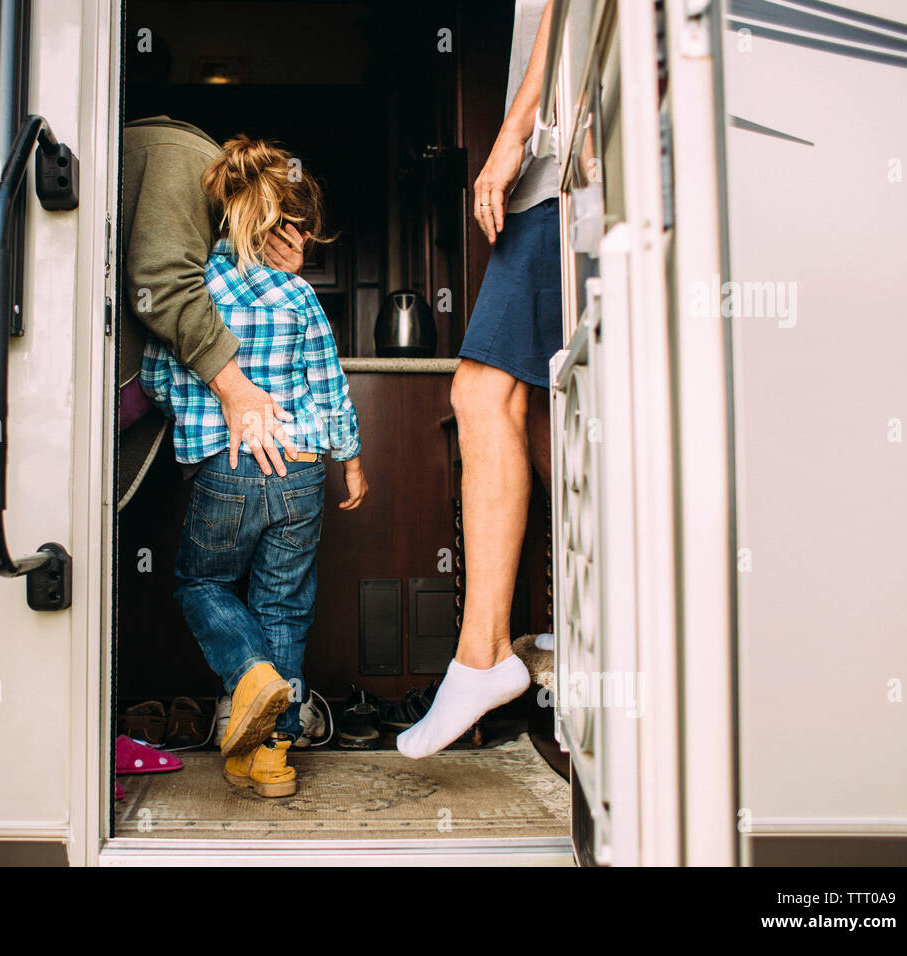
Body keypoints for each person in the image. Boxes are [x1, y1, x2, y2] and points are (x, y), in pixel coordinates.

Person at [141, 136, 367, 797]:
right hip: (301, 470)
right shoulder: (300, 297)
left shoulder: (197, 291)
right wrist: (351, 460)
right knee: (285, 609)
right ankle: (271, 757)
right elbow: (329, 384)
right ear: (280, 224)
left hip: (228, 466)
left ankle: (249, 677)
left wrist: (199, 418)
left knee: (201, 585)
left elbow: (160, 374)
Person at [398, 0, 559, 759]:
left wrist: (513, 133)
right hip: (558, 175)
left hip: (560, 169)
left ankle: (485, 654)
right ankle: (573, 621)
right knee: (544, 404)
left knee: (486, 391)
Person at [117, 116, 311, 510]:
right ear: (270, 220)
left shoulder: (215, 219)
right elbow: (164, 283)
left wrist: (282, 282)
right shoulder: (184, 162)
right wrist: (236, 389)